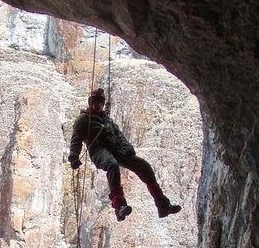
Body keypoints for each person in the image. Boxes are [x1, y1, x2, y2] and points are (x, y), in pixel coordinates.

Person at [68, 88, 181, 221]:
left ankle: (162, 205)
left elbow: (119, 135)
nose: (97, 105)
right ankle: (119, 206)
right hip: (98, 150)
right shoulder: (83, 120)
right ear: (90, 103)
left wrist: (128, 149)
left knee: (144, 166)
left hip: (116, 149)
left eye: (100, 102)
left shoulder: (107, 120)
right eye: (95, 102)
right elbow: (76, 139)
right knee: (112, 165)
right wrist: (74, 157)